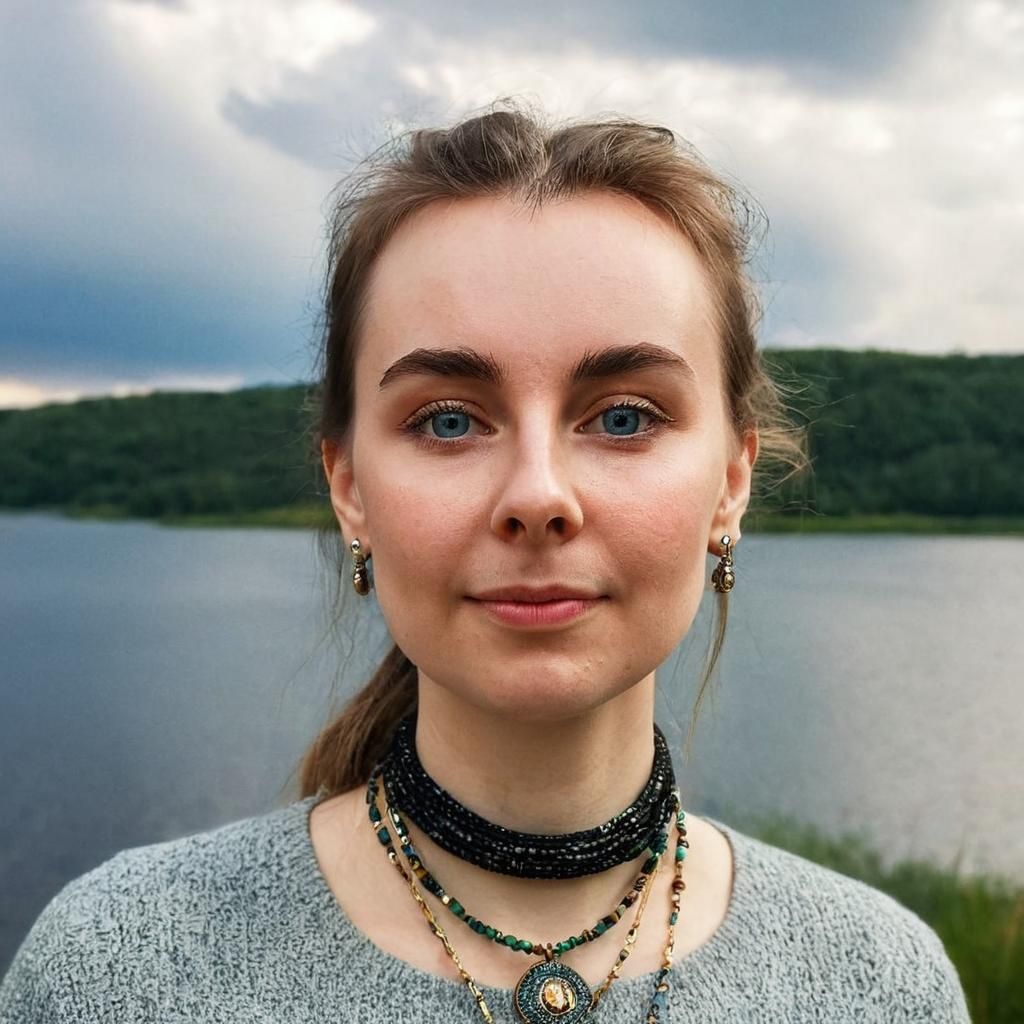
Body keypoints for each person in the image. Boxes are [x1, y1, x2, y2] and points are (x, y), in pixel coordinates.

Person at [0, 100, 970, 1023]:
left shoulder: (877, 979)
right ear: (347, 487)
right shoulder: (117, 967)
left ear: (730, 479)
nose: (538, 494)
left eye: (623, 416)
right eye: (450, 419)